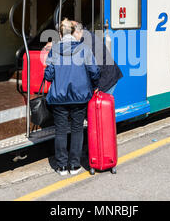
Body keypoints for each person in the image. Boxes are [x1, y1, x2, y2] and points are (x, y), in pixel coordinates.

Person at [44, 18, 100, 176]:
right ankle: (74, 165)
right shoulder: (84, 49)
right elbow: (94, 71)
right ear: (73, 33)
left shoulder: (54, 50)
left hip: (59, 98)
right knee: (77, 129)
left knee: (60, 131)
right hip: (80, 96)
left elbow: (48, 76)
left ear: (60, 34)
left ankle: (61, 166)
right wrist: (94, 85)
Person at [72, 21, 123, 94]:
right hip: (105, 76)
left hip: (107, 79)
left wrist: (96, 86)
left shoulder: (89, 41)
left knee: (101, 103)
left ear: (77, 32)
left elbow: (97, 68)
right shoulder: (85, 37)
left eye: (72, 35)